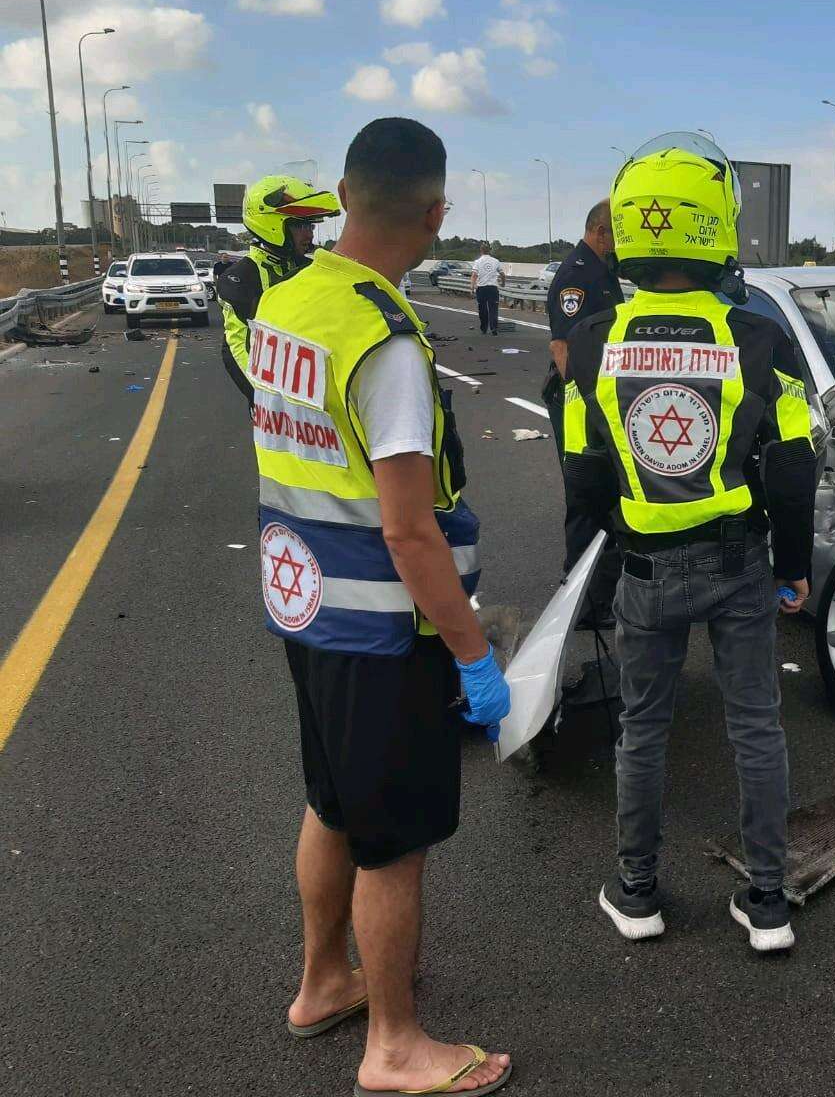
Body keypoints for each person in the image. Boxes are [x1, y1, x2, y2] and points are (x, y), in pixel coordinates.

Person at [250, 118, 511, 1096]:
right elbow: (410, 532)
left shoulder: (288, 301)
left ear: (344, 197)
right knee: (393, 842)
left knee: (333, 803)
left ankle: (324, 982)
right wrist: (474, 653)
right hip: (382, 628)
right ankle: (394, 1046)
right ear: (436, 215)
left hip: (304, 601)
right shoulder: (384, 340)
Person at [562, 132, 817, 952]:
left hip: (644, 567)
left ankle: (637, 892)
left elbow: (582, 472)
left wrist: (604, 556)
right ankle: (768, 902)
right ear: (717, 226)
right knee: (756, 728)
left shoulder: (593, 341)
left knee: (644, 729)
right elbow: (794, 468)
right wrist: (793, 569)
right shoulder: (759, 338)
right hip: (739, 564)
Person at [542, 199, 625, 624]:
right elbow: (563, 348)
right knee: (586, 498)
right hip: (580, 404)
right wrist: (590, 407)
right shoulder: (577, 275)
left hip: (595, 399)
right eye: (618, 233)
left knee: (603, 495)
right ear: (599, 231)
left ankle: (593, 592)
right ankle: (585, 604)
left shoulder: (602, 270)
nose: (621, 242)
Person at [216, 174, 340, 403]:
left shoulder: (311, 269)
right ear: (272, 223)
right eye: (300, 225)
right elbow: (236, 348)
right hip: (277, 404)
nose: (310, 234)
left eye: (310, 225)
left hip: (321, 394)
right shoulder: (240, 277)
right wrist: (272, 402)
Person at [470, 244, 501, 335]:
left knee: (482, 309)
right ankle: (493, 328)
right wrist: (503, 283)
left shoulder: (478, 261)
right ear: (489, 250)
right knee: (493, 309)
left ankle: (484, 328)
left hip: (481, 289)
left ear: (481, 250)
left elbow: (474, 275)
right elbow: (502, 274)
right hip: (493, 288)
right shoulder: (496, 261)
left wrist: (472, 287)